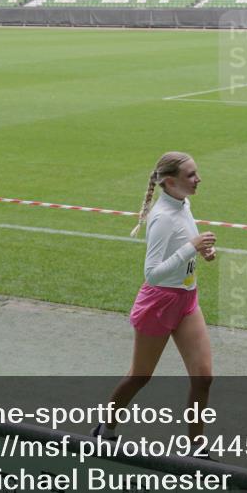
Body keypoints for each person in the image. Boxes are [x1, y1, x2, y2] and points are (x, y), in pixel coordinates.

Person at [94, 152, 217, 451]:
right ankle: (105, 428)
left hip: (187, 299)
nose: (198, 178)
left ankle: (196, 448)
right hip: (159, 303)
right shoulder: (161, 218)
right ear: (171, 182)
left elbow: (184, 242)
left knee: (203, 378)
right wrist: (191, 248)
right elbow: (152, 274)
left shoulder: (184, 203)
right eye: (191, 175)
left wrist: (201, 252)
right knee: (140, 376)